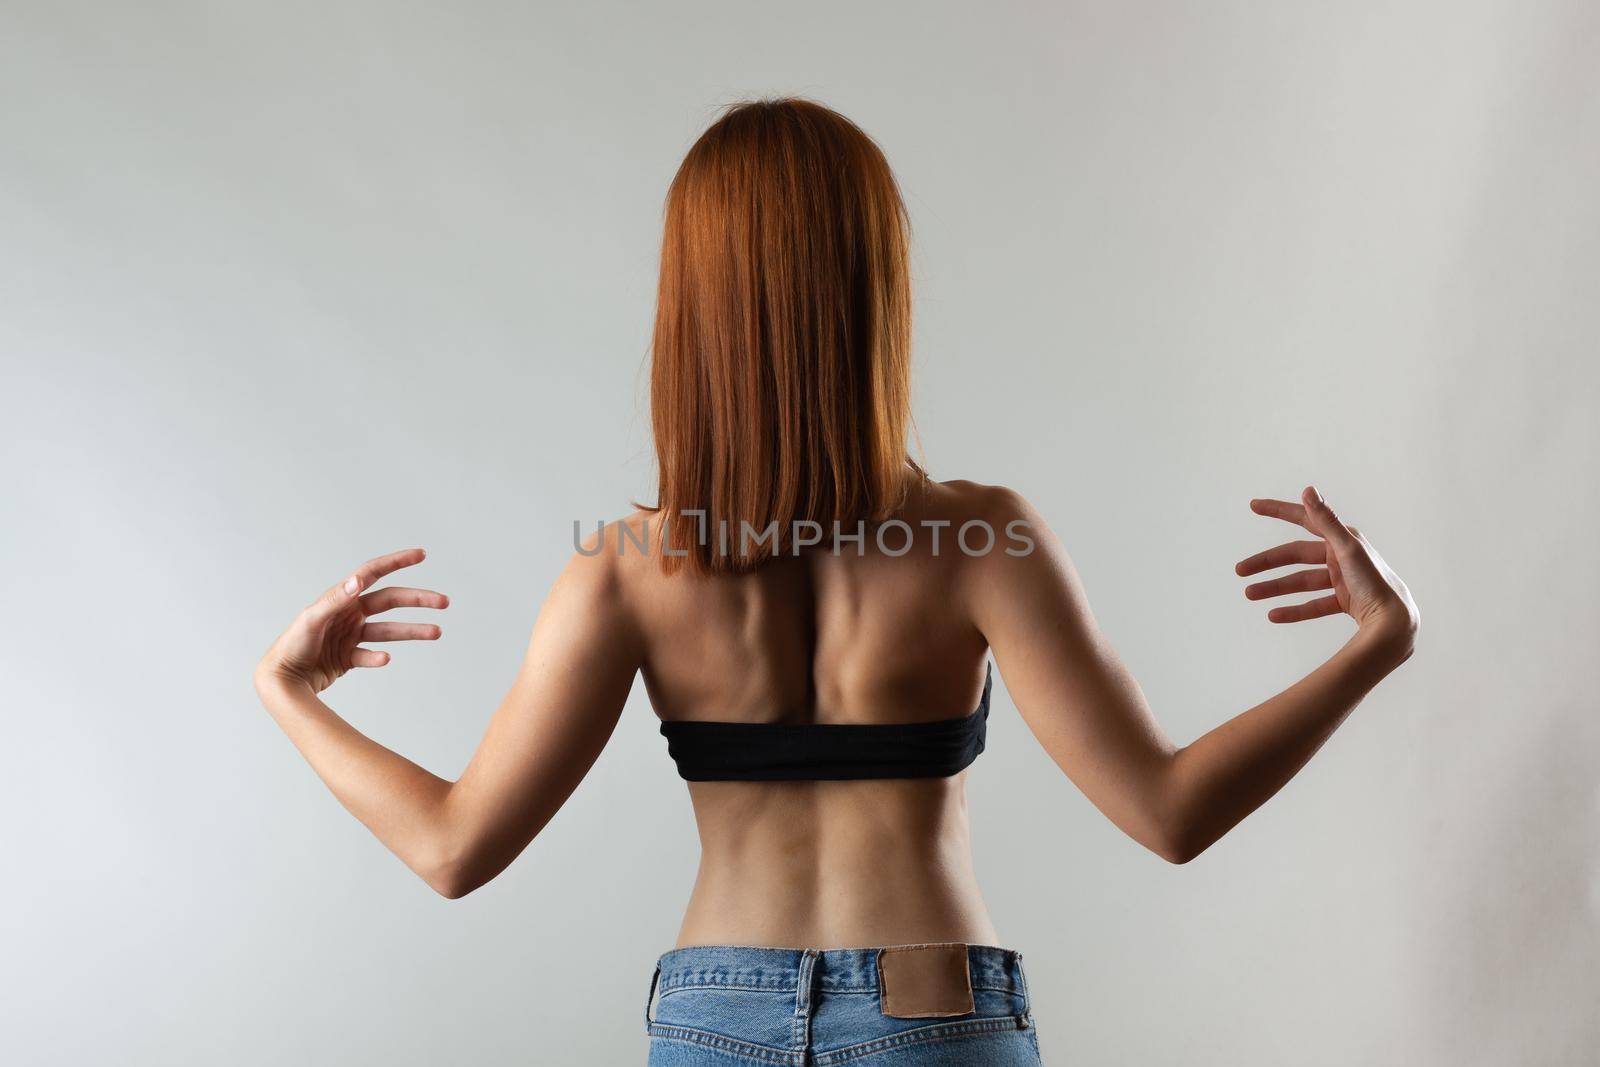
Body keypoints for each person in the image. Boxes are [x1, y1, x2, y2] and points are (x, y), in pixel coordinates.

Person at [253, 98, 1419, 1066]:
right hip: (935, 1010)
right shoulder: (982, 540)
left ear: (690, 312)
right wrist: (1374, 641)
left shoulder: (622, 570)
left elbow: (453, 846)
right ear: (874, 292)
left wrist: (288, 689)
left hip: (717, 1019)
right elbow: (1171, 813)